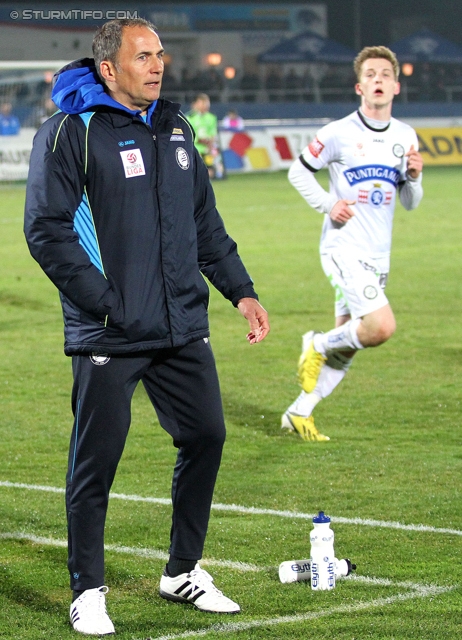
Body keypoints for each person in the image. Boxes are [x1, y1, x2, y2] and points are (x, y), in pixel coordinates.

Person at [24, 18, 269, 636]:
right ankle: (88, 589)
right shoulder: (71, 132)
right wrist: (105, 305)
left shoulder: (177, 128)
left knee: (206, 436)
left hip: (181, 322)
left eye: (160, 55)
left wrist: (240, 290)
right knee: (96, 462)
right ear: (109, 68)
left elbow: (204, 224)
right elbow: (46, 231)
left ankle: (182, 571)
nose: (158, 65)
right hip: (110, 330)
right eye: (143, 57)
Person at [282, 45, 423, 442]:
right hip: (343, 248)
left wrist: (412, 178)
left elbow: (410, 203)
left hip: (379, 255)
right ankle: (316, 342)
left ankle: (299, 412)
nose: (378, 80)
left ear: (396, 86)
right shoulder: (338, 133)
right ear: (359, 86)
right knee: (380, 327)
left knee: (350, 343)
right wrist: (329, 204)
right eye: (370, 75)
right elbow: (298, 171)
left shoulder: (406, 136)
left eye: (385, 75)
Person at [186, 93, 220, 178]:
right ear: (197, 104)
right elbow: (188, 134)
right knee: (194, 172)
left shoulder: (211, 118)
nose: (205, 106)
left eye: (206, 103)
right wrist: (199, 140)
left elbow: (213, 133)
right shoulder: (190, 117)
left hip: (207, 148)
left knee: (210, 171)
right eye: (202, 103)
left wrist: (210, 143)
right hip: (194, 148)